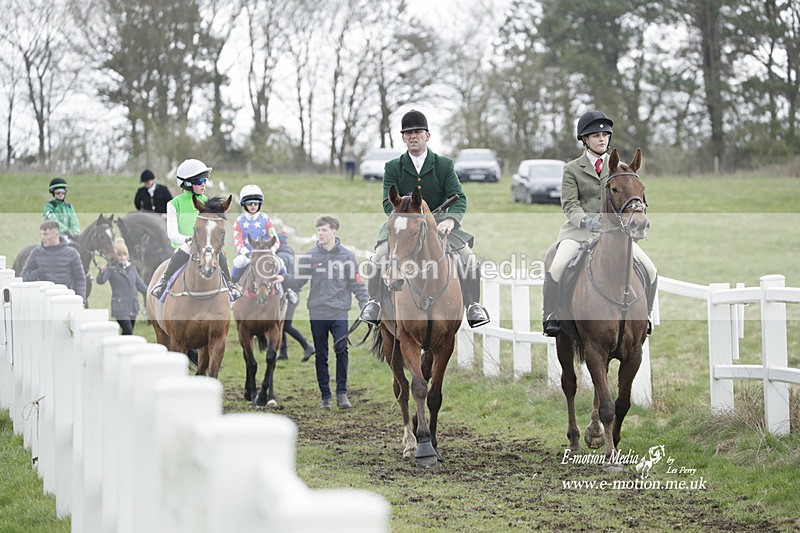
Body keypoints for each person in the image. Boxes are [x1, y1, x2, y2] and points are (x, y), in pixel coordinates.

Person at [359, 109, 490, 328]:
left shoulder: (444, 165)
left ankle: (473, 305)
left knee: (468, 258)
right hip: (402, 227)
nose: (413, 136)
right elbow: (386, 202)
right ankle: (374, 303)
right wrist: (406, 215)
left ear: (427, 135)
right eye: (408, 133)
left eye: (417, 132)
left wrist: (450, 220)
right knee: (379, 256)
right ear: (403, 138)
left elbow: (459, 198)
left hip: (441, 227)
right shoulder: (392, 167)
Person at [542, 110, 658, 337]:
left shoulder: (621, 169)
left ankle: (646, 316)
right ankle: (552, 315)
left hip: (616, 233)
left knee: (651, 270)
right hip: (579, 232)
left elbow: (631, 198)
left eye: (605, 134)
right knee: (557, 267)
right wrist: (587, 221)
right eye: (595, 135)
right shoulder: (572, 169)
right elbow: (569, 205)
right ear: (584, 139)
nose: (601, 138)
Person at [296, 216, 368, 410]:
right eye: (318, 230)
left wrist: (365, 303)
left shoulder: (347, 256)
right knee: (321, 354)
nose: (320, 233)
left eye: (324, 230)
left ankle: (342, 394)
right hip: (317, 311)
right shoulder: (310, 256)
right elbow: (297, 281)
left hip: (339, 311)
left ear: (334, 231)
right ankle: (326, 396)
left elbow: (357, 284)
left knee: (341, 349)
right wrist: (280, 280)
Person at [149, 158, 242, 300]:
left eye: (204, 180)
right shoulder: (174, 204)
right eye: (199, 181)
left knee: (221, 254)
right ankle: (163, 282)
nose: (203, 184)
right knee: (184, 249)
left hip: (206, 245)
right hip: (185, 245)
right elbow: (172, 234)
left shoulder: (207, 202)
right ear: (186, 183)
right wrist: (188, 239)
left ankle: (230, 285)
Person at [21, 220, 87, 306]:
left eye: (45, 234)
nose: (42, 238)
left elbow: (80, 280)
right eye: (41, 234)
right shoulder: (36, 253)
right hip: (42, 303)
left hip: (65, 300)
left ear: (56, 234)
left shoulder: (72, 254)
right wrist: (37, 274)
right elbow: (24, 277)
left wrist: (81, 301)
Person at [275, 231, 314, 362]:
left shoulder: (280, 256)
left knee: (285, 325)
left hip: (288, 294)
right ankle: (283, 352)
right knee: (282, 323)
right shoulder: (290, 254)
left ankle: (307, 346)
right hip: (293, 293)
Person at [96, 238, 148, 335]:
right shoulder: (111, 269)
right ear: (116, 256)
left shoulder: (132, 268)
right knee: (128, 331)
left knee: (128, 332)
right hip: (120, 308)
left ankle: (121, 348)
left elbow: (140, 285)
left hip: (133, 307)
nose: (122, 257)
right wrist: (101, 272)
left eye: (124, 255)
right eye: (119, 255)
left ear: (127, 255)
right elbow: (101, 281)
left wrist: (151, 293)